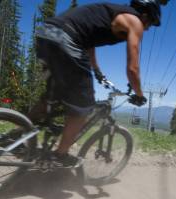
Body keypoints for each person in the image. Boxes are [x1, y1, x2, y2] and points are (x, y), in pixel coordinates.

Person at [28, 0, 163, 167]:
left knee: (51, 97)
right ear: (144, 14)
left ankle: (18, 134)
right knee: (83, 106)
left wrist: (97, 71)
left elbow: (88, 43)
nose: (147, 28)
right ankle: (59, 156)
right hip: (66, 39)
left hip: (46, 33)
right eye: (150, 23)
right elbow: (133, 69)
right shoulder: (135, 21)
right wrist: (139, 94)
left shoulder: (110, 13)